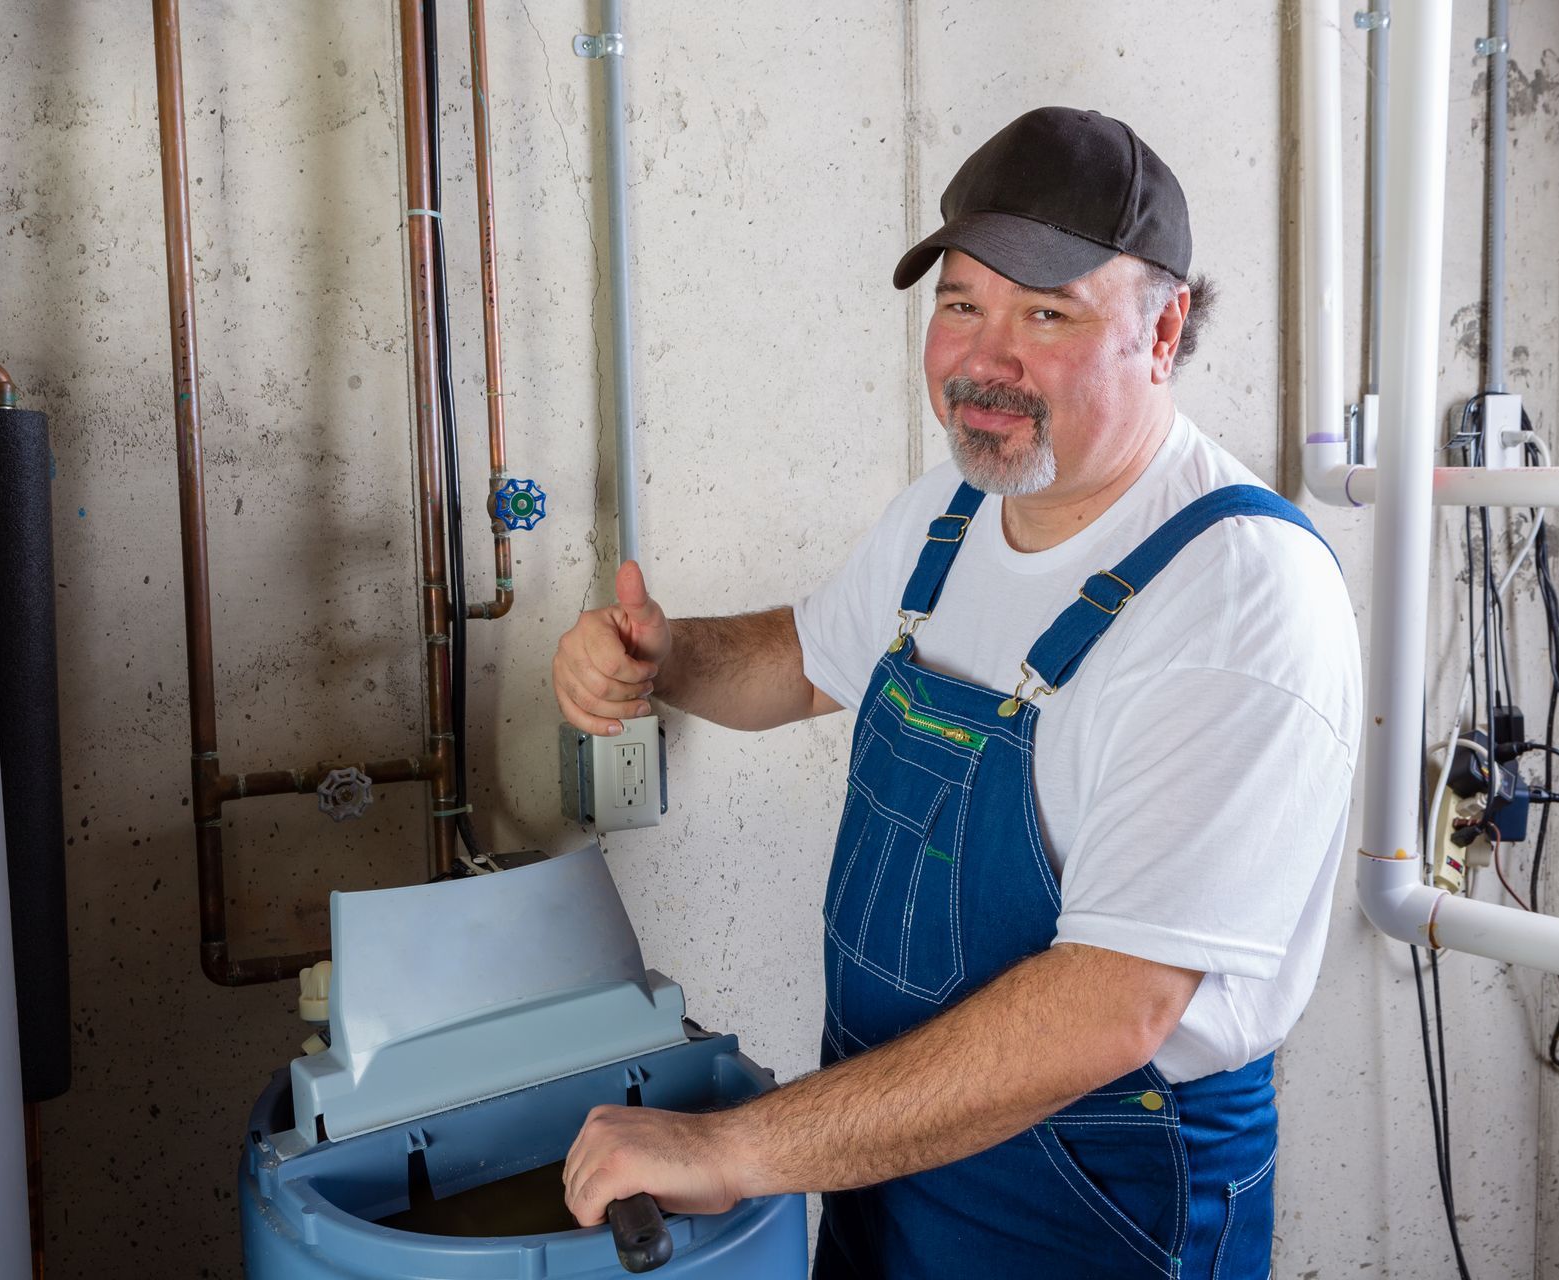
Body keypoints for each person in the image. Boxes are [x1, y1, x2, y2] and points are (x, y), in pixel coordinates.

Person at [549, 106, 1360, 1278]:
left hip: (1096, 1201)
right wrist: (658, 654)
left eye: (1046, 312)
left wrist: (733, 1148)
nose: (985, 359)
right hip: (888, 1158)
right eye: (962, 304)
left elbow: (1109, 1005)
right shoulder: (954, 511)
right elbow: (805, 659)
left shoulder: (1239, 597)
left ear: (1164, 326)